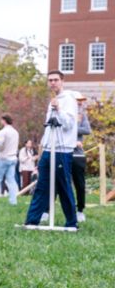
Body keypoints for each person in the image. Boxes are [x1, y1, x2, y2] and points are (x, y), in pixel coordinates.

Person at [24, 71, 78, 229]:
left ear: (62, 81)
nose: (52, 83)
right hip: (48, 149)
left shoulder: (68, 99)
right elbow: (49, 127)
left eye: (55, 80)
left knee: (64, 186)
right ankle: (32, 221)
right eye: (50, 80)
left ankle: (71, 223)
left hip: (62, 150)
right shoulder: (52, 101)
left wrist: (59, 109)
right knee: (41, 186)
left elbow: (69, 124)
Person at [71, 93, 91, 223]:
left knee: (80, 184)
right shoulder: (64, 114)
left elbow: (87, 130)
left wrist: (76, 126)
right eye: (78, 101)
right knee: (56, 183)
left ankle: (80, 211)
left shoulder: (82, 116)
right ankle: (47, 211)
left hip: (78, 155)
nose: (80, 103)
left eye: (81, 101)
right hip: (63, 152)